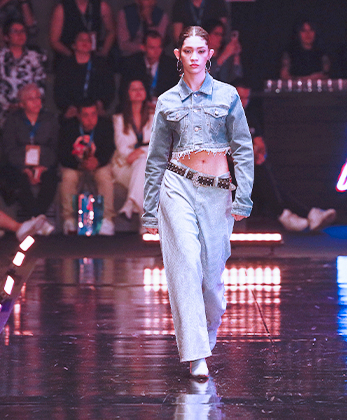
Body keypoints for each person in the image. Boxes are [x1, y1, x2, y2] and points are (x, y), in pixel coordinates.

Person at [143, 26, 253, 378]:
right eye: (187, 50)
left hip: (217, 191)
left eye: (200, 50)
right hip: (177, 186)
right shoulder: (167, 101)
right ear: (178, 55)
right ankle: (196, 353)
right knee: (186, 264)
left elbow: (243, 148)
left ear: (210, 54)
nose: (194, 57)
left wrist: (243, 196)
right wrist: (149, 210)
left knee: (210, 278)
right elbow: (156, 159)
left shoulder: (228, 95)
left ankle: (208, 330)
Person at [232, 79, 335, 231]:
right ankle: (296, 214)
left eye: (247, 98)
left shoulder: (249, 116)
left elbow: (260, 145)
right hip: (228, 169)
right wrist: (250, 152)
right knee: (259, 173)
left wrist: (258, 154)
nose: (244, 102)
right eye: (240, 97)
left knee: (262, 170)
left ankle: (290, 214)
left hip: (248, 165)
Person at [0, 84, 60, 225]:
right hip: (18, 165)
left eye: (38, 98)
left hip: (43, 164)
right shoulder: (13, 120)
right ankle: (35, 219)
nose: (37, 102)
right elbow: (9, 149)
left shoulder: (50, 119)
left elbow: (54, 148)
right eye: (31, 99)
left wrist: (41, 168)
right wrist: (25, 169)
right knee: (19, 179)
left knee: (51, 179)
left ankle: (35, 220)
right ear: (22, 104)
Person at [58, 99, 116, 235]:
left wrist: (98, 161)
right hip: (75, 166)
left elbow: (109, 149)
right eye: (86, 115)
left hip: (98, 165)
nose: (90, 119)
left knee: (104, 176)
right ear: (78, 116)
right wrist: (79, 164)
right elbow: (62, 153)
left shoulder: (105, 125)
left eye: (93, 114)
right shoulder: (68, 127)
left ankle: (106, 219)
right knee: (68, 177)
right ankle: (69, 220)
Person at [0, 19, 48, 125]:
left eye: (22, 31)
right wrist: (9, 106)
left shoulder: (35, 57)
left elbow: (40, 85)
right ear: (6, 37)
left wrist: (28, 104)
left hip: (30, 109)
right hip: (4, 111)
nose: (20, 35)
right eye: (15, 31)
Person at [112, 77, 153, 221]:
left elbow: (159, 145)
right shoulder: (119, 119)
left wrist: (140, 152)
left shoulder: (154, 117)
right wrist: (144, 151)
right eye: (133, 89)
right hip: (124, 165)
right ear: (127, 93)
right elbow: (122, 147)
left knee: (142, 164)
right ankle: (144, 220)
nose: (138, 92)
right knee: (145, 171)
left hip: (144, 164)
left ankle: (130, 204)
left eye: (141, 88)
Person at [54, 31, 115, 119]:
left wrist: (101, 104)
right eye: (81, 40)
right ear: (74, 45)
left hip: (94, 109)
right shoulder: (65, 65)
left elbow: (109, 88)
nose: (85, 42)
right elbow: (59, 91)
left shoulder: (101, 64)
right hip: (74, 110)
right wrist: (68, 107)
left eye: (88, 40)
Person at [120, 30, 178, 101]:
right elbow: (124, 92)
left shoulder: (171, 65)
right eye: (152, 48)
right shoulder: (132, 64)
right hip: (139, 104)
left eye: (159, 47)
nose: (157, 51)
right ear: (143, 47)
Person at [49, 0, 116, 60]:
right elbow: (54, 41)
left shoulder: (102, 6)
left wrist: (103, 52)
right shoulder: (61, 9)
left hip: (93, 56)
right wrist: (72, 56)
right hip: (67, 58)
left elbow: (111, 31)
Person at [200, 19, 241, 83]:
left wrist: (236, 55)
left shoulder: (225, 56)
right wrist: (224, 55)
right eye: (216, 34)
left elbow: (237, 78)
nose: (220, 38)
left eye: (221, 35)